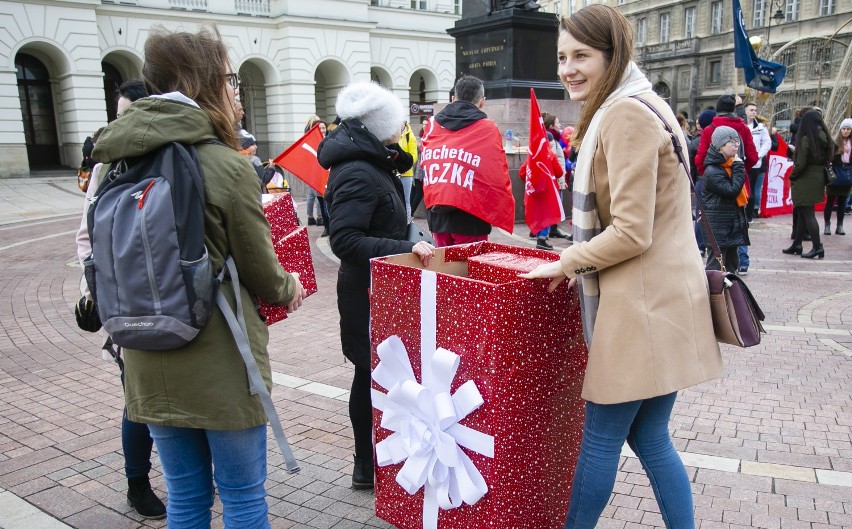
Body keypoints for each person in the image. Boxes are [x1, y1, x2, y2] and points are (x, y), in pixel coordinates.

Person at [91, 25, 307, 528]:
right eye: (229, 79)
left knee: (186, 499)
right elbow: (263, 273)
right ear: (200, 80)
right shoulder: (225, 165)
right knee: (243, 499)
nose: (235, 91)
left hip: (146, 356)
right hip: (222, 362)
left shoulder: (114, 162)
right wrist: (289, 285)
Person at [520, 6, 722, 528]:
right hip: (664, 299)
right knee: (651, 438)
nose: (568, 68)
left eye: (582, 56)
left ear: (612, 57)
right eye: (563, 57)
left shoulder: (624, 113)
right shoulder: (641, 102)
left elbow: (632, 231)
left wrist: (565, 261)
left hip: (643, 307)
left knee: (601, 441)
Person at [317, 81, 434, 489]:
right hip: (367, 293)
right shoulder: (357, 170)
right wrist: (406, 245)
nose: (403, 128)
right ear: (380, 124)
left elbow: (386, 214)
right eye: (398, 121)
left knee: (380, 374)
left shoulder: (374, 162)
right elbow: (345, 241)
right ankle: (365, 464)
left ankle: (380, 458)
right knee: (368, 375)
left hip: (383, 289)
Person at [74, 80, 168, 521]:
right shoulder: (106, 164)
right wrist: (96, 288)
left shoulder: (173, 154)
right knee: (138, 398)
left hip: (171, 293)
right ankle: (137, 481)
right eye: (118, 112)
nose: (122, 121)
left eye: (129, 111)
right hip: (125, 301)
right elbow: (86, 235)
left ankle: (187, 472)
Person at [421, 75, 514, 247]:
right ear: (482, 102)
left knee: (443, 268)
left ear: (453, 99)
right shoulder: (487, 128)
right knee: (469, 270)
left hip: (438, 213)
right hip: (471, 216)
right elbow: (496, 173)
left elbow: (425, 166)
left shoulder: (433, 125)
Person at [782, 110, 833, 259]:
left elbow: (801, 164)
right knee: (804, 213)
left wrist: (793, 175)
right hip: (817, 178)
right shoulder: (824, 137)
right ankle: (797, 244)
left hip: (805, 179)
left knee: (807, 214)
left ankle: (817, 246)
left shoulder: (806, 139)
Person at [701, 126, 750, 272]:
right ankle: (714, 295)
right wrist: (739, 167)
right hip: (718, 227)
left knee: (731, 266)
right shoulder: (713, 170)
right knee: (716, 269)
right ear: (720, 146)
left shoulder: (730, 165)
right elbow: (732, 190)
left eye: (737, 142)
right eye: (732, 142)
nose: (736, 146)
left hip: (730, 225)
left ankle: (730, 295)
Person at [695, 94, 758, 177]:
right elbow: (753, 157)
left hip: (714, 178)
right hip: (738, 178)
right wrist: (741, 170)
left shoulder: (709, 130)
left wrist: (708, 174)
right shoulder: (744, 128)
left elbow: (700, 160)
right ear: (733, 109)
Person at [825, 118, 852, 235]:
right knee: (830, 201)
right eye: (844, 129)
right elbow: (829, 158)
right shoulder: (835, 143)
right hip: (836, 173)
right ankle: (827, 225)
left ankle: (839, 225)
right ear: (840, 130)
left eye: (848, 129)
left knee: (842, 201)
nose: (846, 131)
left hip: (847, 174)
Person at [304, 115, 327, 227]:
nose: (322, 130)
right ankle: (319, 217)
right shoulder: (315, 140)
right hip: (315, 172)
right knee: (318, 195)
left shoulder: (309, 138)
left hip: (313, 171)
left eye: (323, 128)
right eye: (320, 128)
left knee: (312, 195)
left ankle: (310, 217)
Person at [398, 121, 418, 221]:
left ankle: (407, 224)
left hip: (406, 174)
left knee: (406, 201)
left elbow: (414, 156)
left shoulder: (410, 136)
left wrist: (405, 166)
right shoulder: (392, 134)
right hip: (394, 172)